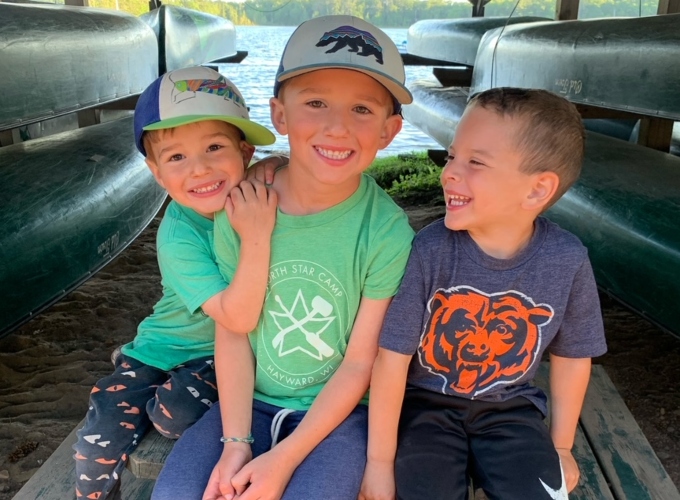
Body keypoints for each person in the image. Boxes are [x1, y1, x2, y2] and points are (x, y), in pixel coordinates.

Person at [152, 15, 415, 500]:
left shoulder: (386, 232)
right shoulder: (246, 206)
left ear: (389, 130)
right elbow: (233, 333)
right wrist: (236, 443)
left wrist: (284, 458)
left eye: (361, 108)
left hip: (337, 416)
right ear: (279, 116)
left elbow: (361, 363)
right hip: (245, 404)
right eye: (315, 103)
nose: (336, 126)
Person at [359, 88, 608, 500]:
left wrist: (561, 447)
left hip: (512, 411)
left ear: (536, 190)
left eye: (475, 162)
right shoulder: (430, 248)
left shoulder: (567, 259)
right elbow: (392, 359)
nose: (449, 172)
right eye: (452, 155)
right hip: (426, 408)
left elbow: (573, 357)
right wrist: (380, 463)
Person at [73, 66, 281, 500]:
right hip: (162, 347)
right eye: (176, 158)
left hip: (220, 355)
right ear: (155, 172)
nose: (200, 169)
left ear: (245, 153)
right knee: (103, 431)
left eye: (214, 147)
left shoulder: (262, 195)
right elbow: (235, 313)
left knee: (173, 415)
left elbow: (293, 171)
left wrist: (278, 163)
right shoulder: (178, 234)